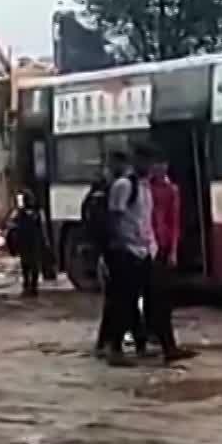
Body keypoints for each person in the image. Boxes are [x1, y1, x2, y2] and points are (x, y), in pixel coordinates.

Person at [94, 149, 152, 367]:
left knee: (129, 301)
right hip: (125, 252)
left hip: (142, 251)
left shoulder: (145, 187)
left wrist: (149, 248)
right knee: (122, 302)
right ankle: (114, 347)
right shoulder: (124, 186)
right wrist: (118, 249)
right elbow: (115, 219)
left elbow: (145, 221)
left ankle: (137, 343)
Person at [139, 146, 195, 364]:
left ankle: (163, 343)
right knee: (148, 299)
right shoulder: (143, 188)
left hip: (160, 248)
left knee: (161, 299)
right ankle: (153, 342)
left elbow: (174, 222)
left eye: (163, 165)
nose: (160, 168)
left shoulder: (171, 190)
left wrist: (172, 251)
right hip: (144, 248)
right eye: (156, 165)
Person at [8, 189, 49, 298]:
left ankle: (31, 287)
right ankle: (29, 286)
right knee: (27, 265)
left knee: (31, 266)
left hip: (31, 242)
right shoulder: (21, 213)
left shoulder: (33, 213)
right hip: (27, 242)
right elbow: (13, 228)